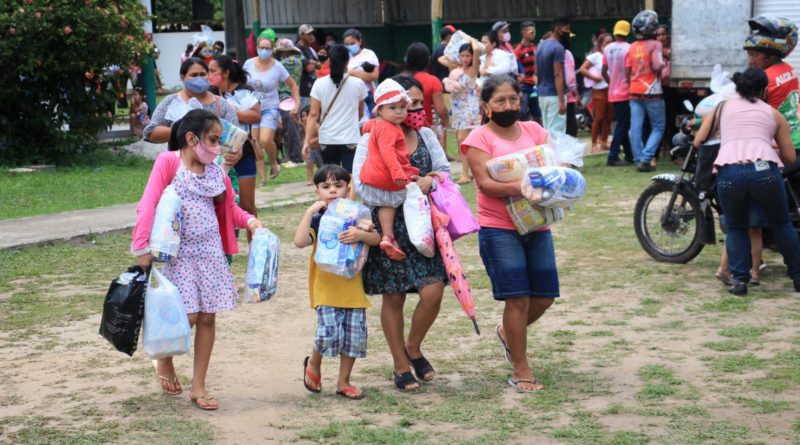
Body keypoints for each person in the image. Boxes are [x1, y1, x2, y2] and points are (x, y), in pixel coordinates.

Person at [133, 109, 264, 410]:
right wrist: (141, 246)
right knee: (186, 316)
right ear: (192, 139)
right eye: (213, 140)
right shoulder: (169, 163)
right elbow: (148, 203)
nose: (218, 147)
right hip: (176, 257)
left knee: (207, 317)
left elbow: (230, 209)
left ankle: (199, 386)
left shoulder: (217, 173)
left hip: (211, 255)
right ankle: (163, 358)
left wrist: (251, 222)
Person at [353, 75, 451, 391]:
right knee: (393, 297)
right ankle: (400, 365)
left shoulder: (425, 135)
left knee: (433, 290)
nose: (407, 109)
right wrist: (398, 194)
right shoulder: (369, 140)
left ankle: (414, 346)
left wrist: (430, 181)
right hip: (388, 229)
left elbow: (445, 173)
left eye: (413, 103)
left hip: (422, 225)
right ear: (384, 106)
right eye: (400, 103)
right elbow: (360, 185)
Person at [463, 75, 558, 392]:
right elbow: (486, 184)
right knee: (518, 298)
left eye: (513, 100)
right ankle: (521, 369)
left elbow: (554, 164)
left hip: (537, 224)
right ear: (486, 105)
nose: (508, 106)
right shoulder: (478, 138)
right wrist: (524, 186)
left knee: (543, 298)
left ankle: (507, 333)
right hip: (498, 228)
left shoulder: (534, 131)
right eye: (500, 101)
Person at [694, 67, 800, 296]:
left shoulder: (722, 108)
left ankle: (739, 281)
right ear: (765, 90)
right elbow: (790, 157)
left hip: (729, 172)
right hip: (765, 173)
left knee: (735, 227)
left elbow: (698, 140)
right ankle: (798, 277)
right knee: (782, 224)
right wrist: (767, 145)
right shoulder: (773, 113)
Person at [294, 164, 381, 400]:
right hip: (325, 287)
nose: (332, 190)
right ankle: (313, 362)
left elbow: (376, 238)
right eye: (325, 186)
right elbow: (300, 242)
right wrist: (309, 213)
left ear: (347, 188)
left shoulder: (357, 215)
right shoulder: (319, 219)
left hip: (353, 287)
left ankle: (344, 381)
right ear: (317, 191)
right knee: (327, 333)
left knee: (353, 338)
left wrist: (362, 235)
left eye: (338, 185)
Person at [358, 78, 421, 260]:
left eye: (402, 107)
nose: (399, 112)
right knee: (411, 192)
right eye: (392, 108)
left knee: (386, 203)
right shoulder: (390, 129)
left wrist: (368, 127)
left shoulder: (378, 124)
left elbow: (367, 127)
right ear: (381, 110)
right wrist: (397, 173)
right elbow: (388, 153)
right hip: (387, 175)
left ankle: (388, 236)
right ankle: (390, 234)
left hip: (373, 176)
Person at [208, 55, 262, 225]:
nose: (209, 75)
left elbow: (255, 116)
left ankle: (255, 244)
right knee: (218, 203)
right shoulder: (209, 94)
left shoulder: (246, 91)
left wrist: (229, 111)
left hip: (243, 151)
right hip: (214, 154)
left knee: (247, 205)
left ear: (225, 73)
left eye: (212, 71)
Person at [244, 30, 301, 182]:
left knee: (265, 140)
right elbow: (241, 84)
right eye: (261, 47)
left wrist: (297, 104)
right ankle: (263, 178)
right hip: (252, 108)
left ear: (272, 49)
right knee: (255, 142)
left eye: (267, 48)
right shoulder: (248, 64)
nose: (264, 51)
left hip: (270, 108)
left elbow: (293, 86)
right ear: (256, 47)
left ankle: (274, 162)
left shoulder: (278, 67)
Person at [303, 44, 367, 173]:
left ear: (329, 60)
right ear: (347, 61)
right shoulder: (358, 83)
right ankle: (348, 194)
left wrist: (306, 141)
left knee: (332, 177)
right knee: (350, 177)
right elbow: (360, 113)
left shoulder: (319, 83)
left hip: (327, 139)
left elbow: (313, 114)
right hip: (350, 138)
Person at [744, 15, 799, 149]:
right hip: (793, 136)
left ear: (771, 57)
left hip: (778, 142)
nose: (750, 61)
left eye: (754, 55)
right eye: (749, 54)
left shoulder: (763, 79)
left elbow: (738, 108)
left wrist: (701, 122)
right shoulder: (788, 70)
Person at [625, 10, 665, 172]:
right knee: (658, 126)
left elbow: (627, 69)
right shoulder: (656, 45)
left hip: (634, 90)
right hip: (652, 92)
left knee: (635, 127)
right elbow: (657, 65)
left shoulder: (632, 47)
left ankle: (637, 158)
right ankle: (646, 158)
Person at [443, 42, 481, 184]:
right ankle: (468, 172)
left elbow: (477, 49)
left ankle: (466, 173)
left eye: (468, 55)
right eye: (462, 55)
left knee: (462, 140)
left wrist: (469, 41)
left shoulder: (472, 69)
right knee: (464, 142)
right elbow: (442, 58)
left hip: (469, 108)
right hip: (458, 109)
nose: (465, 58)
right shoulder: (456, 69)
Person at [403, 42, 450, 142]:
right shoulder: (432, 81)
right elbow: (441, 109)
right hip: (424, 129)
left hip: (401, 128)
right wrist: (445, 120)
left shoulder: (398, 79)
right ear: (427, 60)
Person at [603, 20, 634, 166]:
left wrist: (611, 82)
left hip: (613, 92)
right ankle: (613, 155)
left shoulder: (608, 48)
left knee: (623, 123)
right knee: (622, 125)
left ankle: (629, 155)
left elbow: (603, 70)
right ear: (628, 32)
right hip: (626, 92)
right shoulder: (629, 48)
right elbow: (629, 71)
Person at [536, 17, 571, 133]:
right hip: (554, 95)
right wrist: (561, 101)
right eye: (566, 29)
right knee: (557, 134)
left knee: (547, 132)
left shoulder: (541, 45)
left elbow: (537, 72)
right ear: (557, 29)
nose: (568, 32)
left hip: (542, 95)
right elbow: (558, 74)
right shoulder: (558, 48)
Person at [580, 33, 614, 152]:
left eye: (611, 42)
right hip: (599, 90)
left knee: (609, 117)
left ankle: (604, 141)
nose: (609, 45)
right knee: (598, 117)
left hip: (611, 90)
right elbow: (583, 69)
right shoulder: (595, 56)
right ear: (600, 45)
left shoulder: (613, 55)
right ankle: (594, 143)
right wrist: (594, 78)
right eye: (606, 43)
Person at [275, 39, 306, 164]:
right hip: (285, 97)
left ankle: (295, 156)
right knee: (288, 128)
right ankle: (291, 155)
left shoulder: (292, 61)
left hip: (288, 97)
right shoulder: (296, 59)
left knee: (291, 127)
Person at [343, 28, 380, 115]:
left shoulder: (368, 54)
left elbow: (374, 76)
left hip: (367, 95)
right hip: (350, 95)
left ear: (360, 41)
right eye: (346, 44)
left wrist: (351, 72)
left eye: (352, 43)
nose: (349, 46)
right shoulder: (344, 56)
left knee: (371, 121)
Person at [514, 21, 542, 123]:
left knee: (537, 114)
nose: (534, 34)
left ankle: (540, 136)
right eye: (531, 32)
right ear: (523, 33)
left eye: (534, 32)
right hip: (524, 87)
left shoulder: (535, 47)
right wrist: (518, 89)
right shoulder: (518, 50)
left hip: (534, 86)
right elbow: (516, 71)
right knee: (522, 114)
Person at [564, 42, 580, 137]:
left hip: (570, 94)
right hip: (558, 95)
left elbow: (571, 74)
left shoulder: (569, 54)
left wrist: (575, 90)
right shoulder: (555, 53)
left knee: (572, 125)